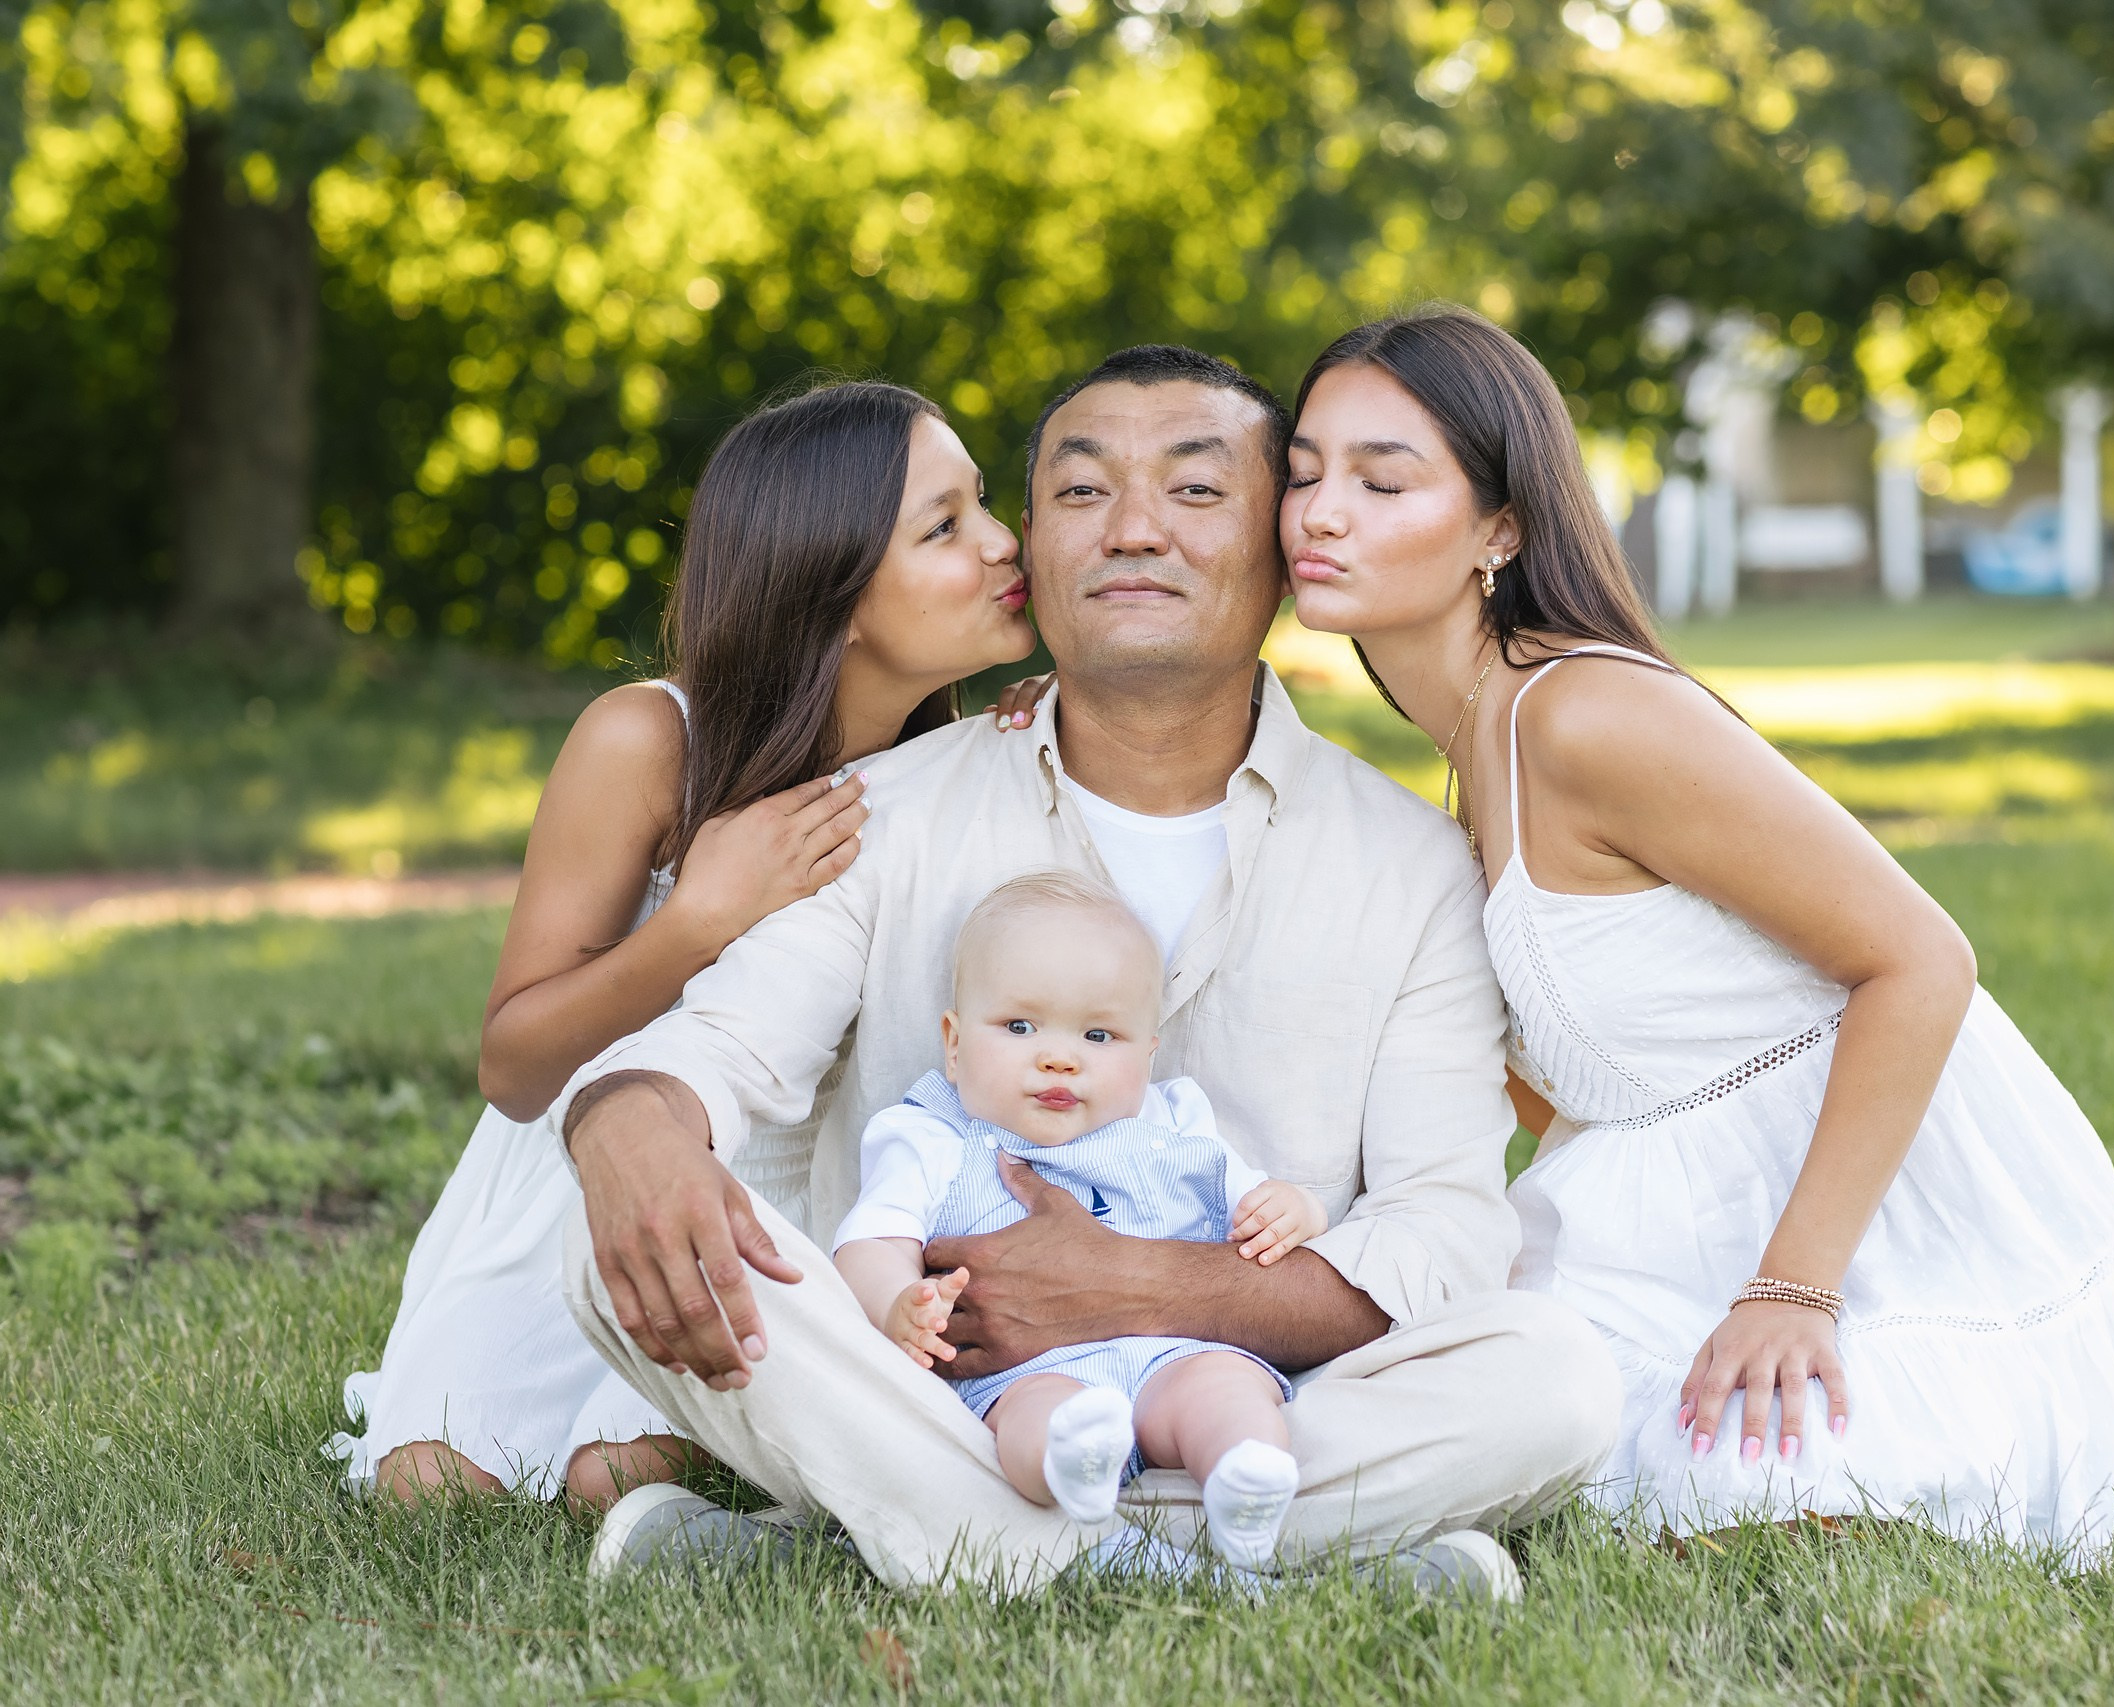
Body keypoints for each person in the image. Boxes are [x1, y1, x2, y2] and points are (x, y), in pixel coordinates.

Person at [556, 344, 1619, 1596]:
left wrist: (1141, 1287)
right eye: (1079, 492)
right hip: (939, 1388)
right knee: (617, 1232)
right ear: (1031, 543)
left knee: (1554, 1373)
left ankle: (936, 1544)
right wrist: (625, 1121)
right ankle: (1210, 1568)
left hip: (1247, 1402)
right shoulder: (873, 818)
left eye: (1195, 491)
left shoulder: (1408, 862)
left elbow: (1442, 1224)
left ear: (1279, 542)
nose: (1130, 531)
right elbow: (721, 1049)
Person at [1281, 308, 2114, 1569]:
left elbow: (1921, 962)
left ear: (1501, 527)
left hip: (1889, 1231)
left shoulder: (1582, 713)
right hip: (1655, 1207)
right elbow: (1569, 1072)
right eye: (1304, 472)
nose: (1320, 511)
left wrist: (1791, 1292)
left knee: (1684, 1492)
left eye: (1382, 478)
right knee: (1414, 1396)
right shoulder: (1471, 755)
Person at [328, 380, 1037, 1511]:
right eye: (947, 526)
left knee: (617, 1479)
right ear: (834, 588)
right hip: (590, 1163)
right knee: (432, 1482)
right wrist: (701, 919)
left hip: (805, 1183)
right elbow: (513, 1067)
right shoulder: (649, 740)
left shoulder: (982, 759)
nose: (1010, 543)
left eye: (985, 504)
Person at [835, 870, 1324, 1568]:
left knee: (1225, 1389)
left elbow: (1255, 1207)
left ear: (1148, 1055)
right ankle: (1073, 1465)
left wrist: (1297, 1208)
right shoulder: (930, 1135)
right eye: (1019, 1026)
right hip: (1029, 1364)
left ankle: (1246, 1477)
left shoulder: (1177, 1119)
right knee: (1036, 1413)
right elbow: (871, 1240)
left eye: (1098, 1034)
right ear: (953, 1041)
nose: (1059, 1055)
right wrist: (896, 1303)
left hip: (1173, 1348)